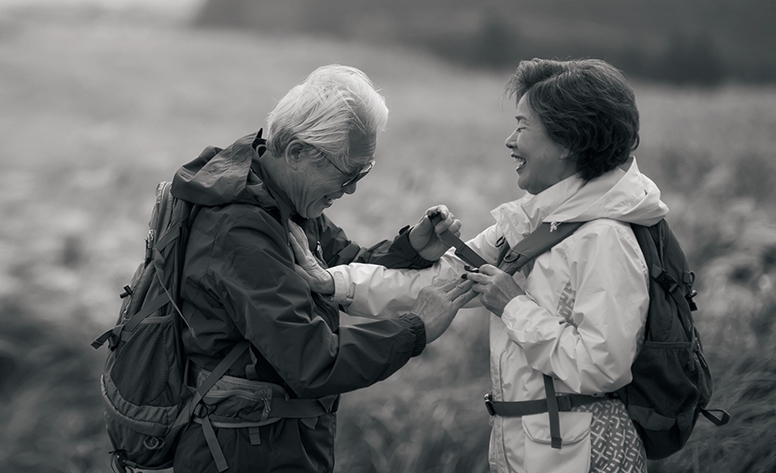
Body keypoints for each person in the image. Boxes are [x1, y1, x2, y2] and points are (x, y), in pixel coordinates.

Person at [293, 58, 669, 472]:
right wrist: (333, 282)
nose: (510, 140)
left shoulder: (605, 238)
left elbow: (603, 366)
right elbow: (443, 281)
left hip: (582, 455)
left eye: (523, 126)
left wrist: (513, 306)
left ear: (568, 141)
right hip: (532, 448)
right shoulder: (528, 223)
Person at [170, 64, 475, 473]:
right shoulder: (239, 230)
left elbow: (341, 268)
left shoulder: (282, 200)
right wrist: (414, 329)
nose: (352, 188)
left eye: (363, 172)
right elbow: (313, 361)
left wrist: (411, 249)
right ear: (297, 151)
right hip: (241, 454)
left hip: (270, 443)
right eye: (349, 171)